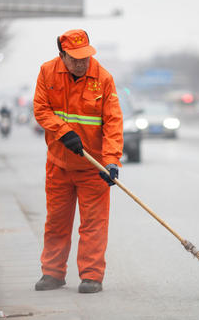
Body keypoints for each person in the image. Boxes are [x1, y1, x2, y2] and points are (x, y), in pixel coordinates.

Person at [33, 29, 123, 293]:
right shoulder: (47, 72)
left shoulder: (103, 78)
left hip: (93, 168)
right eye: (75, 58)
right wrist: (63, 132)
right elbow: (40, 109)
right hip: (59, 165)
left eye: (86, 57)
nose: (82, 63)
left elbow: (113, 123)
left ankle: (92, 276)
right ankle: (52, 274)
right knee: (56, 223)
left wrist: (111, 161)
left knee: (93, 225)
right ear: (62, 55)